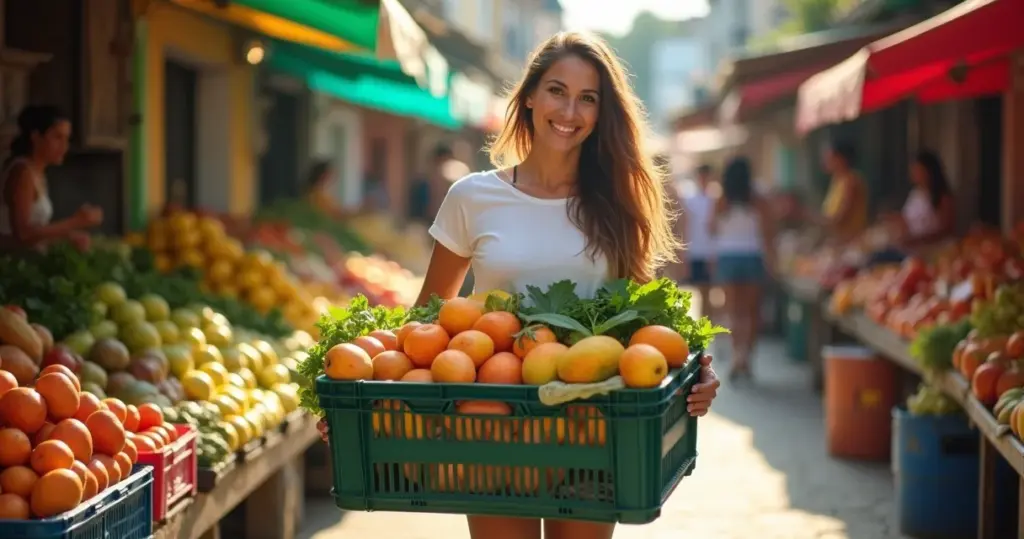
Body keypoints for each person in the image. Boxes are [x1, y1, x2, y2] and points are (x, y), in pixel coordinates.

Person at [417, 32, 719, 539]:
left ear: (602, 113)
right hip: (492, 427)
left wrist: (696, 372)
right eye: (557, 91)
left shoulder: (618, 203)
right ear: (530, 95)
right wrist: (374, 395)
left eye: (588, 98)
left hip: (590, 427)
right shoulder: (472, 197)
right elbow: (426, 317)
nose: (570, 110)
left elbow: (643, 319)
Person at [0, 105, 102, 252]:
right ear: (36, 137)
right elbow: (22, 234)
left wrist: (68, 237)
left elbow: (35, 234)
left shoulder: (37, 173)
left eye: (67, 139)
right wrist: (75, 222)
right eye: (57, 137)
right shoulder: (22, 173)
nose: (64, 146)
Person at [710, 157, 776, 381]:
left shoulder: (722, 199)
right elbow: (768, 233)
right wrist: (772, 261)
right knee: (751, 313)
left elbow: (711, 228)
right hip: (753, 257)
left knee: (733, 312)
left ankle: (736, 357)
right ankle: (746, 358)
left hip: (728, 257)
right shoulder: (758, 198)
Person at [886, 150, 955, 250]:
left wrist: (917, 240)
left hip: (933, 249)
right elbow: (908, 219)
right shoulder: (916, 194)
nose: (914, 173)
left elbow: (945, 230)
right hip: (910, 248)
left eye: (918, 170)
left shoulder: (942, 197)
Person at [674, 164, 716, 317]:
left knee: (708, 290)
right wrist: (683, 252)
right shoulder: (689, 199)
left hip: (711, 251)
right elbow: (684, 225)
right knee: (700, 290)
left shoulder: (716, 199)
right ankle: (704, 323)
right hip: (695, 250)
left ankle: (709, 324)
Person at [817, 141, 868, 245]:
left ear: (841, 159)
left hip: (851, 243)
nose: (826, 161)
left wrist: (805, 214)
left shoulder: (851, 182)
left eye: (830, 157)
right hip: (838, 243)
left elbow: (839, 218)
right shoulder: (837, 181)